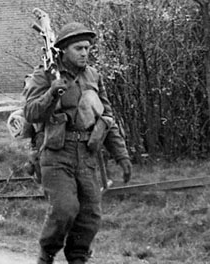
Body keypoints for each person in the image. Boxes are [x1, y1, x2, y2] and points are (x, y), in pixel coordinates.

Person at [23, 22, 133, 264]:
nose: (84, 53)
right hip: (56, 154)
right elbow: (30, 113)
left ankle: (78, 257)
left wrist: (121, 156)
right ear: (63, 50)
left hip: (87, 154)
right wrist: (52, 92)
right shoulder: (44, 75)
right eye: (78, 48)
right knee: (64, 209)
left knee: (90, 216)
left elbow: (107, 118)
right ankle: (47, 254)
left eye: (87, 48)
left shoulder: (93, 76)